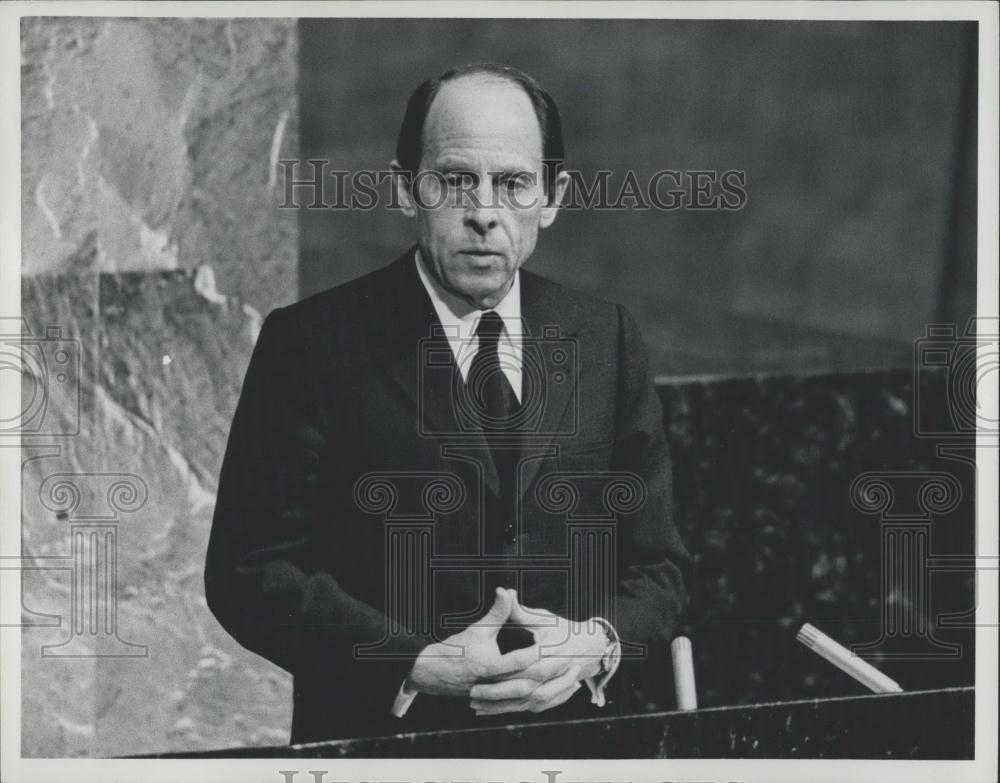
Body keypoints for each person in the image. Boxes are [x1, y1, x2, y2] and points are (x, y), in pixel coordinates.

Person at [205, 62, 691, 745]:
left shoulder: (606, 336)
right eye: (455, 180)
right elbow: (248, 571)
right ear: (408, 189)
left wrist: (593, 643)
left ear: (553, 196)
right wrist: (414, 662)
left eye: (514, 183)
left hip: (576, 742)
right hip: (379, 744)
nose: (485, 212)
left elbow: (659, 567)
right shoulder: (310, 343)